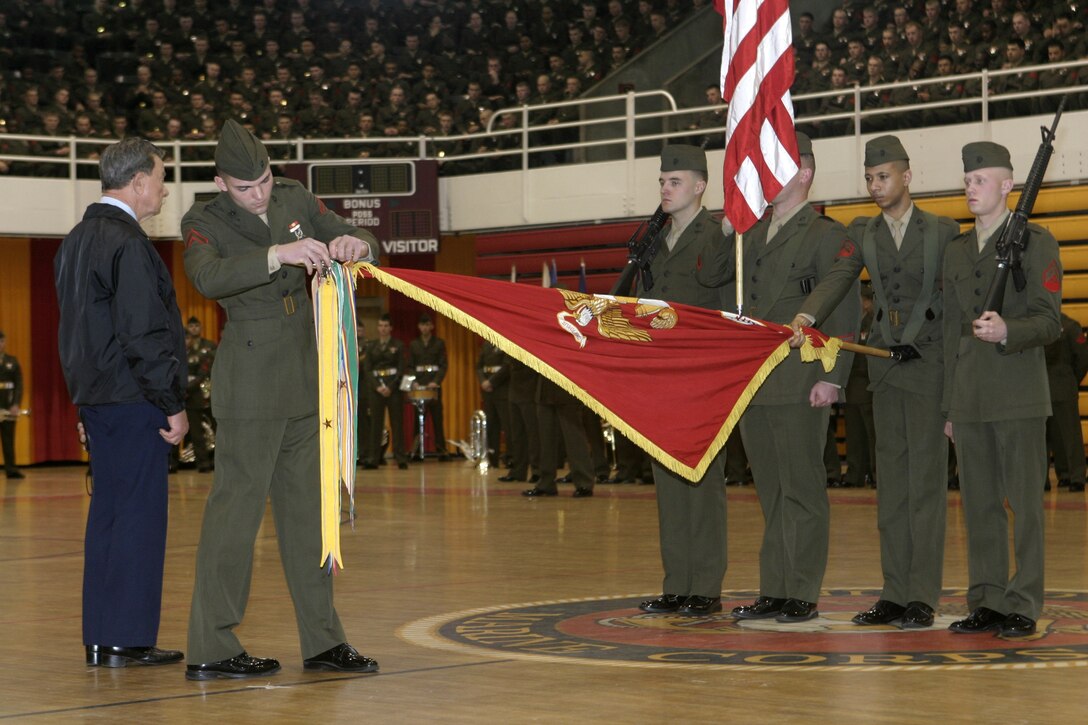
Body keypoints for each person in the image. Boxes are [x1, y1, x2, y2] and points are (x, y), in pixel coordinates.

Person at [181, 119, 380, 680]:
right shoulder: (202, 220)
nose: (261, 193)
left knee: (312, 519)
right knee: (234, 520)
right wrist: (277, 253)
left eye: (265, 180)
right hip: (249, 383)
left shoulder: (294, 194)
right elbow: (207, 277)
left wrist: (354, 243)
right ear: (222, 184)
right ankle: (211, 646)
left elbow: (363, 239)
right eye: (246, 187)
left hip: (307, 376)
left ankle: (322, 641)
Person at [792, 135, 961, 629]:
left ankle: (922, 595)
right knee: (891, 488)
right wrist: (807, 312)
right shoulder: (863, 232)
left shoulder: (942, 230)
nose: (875, 185)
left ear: (907, 177)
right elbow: (841, 275)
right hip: (885, 369)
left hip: (929, 367)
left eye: (883, 176)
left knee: (925, 487)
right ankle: (894, 592)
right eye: (869, 178)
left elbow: (952, 306)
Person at [54, 137, 187, 668]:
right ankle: (128, 639)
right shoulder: (128, 244)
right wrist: (172, 403)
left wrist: (82, 403)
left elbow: (72, 335)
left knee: (107, 518)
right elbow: (144, 334)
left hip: (98, 403)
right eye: (159, 178)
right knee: (138, 519)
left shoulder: (76, 240)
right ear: (136, 182)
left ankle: (102, 635)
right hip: (135, 402)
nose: (163, 189)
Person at [731, 133, 859, 624]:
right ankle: (775, 589)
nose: (766, 177)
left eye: (777, 167)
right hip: (757, 379)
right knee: (769, 490)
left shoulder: (825, 234)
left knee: (802, 487)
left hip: (803, 376)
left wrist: (835, 377)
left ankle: (802, 590)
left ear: (804, 174)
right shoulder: (753, 233)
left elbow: (844, 302)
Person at [942, 141, 1061, 638]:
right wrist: (950, 406)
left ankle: (1024, 602)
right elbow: (951, 335)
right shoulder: (956, 251)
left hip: (1017, 393)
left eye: (981, 180)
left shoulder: (1036, 240)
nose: (971, 188)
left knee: (1025, 505)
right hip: (970, 397)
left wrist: (1008, 330)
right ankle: (987, 598)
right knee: (980, 504)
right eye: (967, 180)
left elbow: (1050, 320)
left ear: (1008, 185)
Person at [635, 144, 732, 616]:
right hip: (660, 375)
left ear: (699, 186)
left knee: (704, 480)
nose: (665, 189)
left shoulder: (717, 233)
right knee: (668, 481)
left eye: (674, 182)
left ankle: (706, 586)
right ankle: (677, 582)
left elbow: (720, 287)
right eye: (661, 182)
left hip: (702, 373)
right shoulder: (651, 240)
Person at [1045, 312, 1088, 493]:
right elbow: (1082, 358)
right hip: (1064, 385)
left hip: (1040, 387)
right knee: (1070, 434)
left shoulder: (1036, 326)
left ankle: (1043, 479)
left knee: (1043, 437)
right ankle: (1075, 476)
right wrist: (1072, 379)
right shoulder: (1071, 326)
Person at [362, 314, 408, 470]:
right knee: (375, 424)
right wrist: (377, 387)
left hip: (393, 389)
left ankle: (400, 457)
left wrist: (390, 387)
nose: (383, 329)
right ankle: (373, 459)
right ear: (377, 328)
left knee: (397, 424)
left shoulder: (398, 345)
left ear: (391, 328)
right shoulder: (371, 346)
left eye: (386, 326)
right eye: (380, 326)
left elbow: (401, 369)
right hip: (376, 389)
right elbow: (367, 369)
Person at [408, 313, 450, 461]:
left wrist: (436, 381)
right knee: (418, 420)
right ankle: (416, 451)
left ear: (431, 326)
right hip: (419, 386)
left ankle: (441, 451)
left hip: (433, 386)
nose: (425, 328)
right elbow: (410, 366)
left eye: (427, 325)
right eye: (422, 325)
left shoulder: (439, 343)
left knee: (438, 419)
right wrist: (414, 381)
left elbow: (443, 365)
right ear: (419, 327)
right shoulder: (414, 344)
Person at [183, 316, 216, 473]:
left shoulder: (208, 346)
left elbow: (205, 372)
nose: (194, 329)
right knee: (193, 432)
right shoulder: (180, 350)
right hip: (187, 395)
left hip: (205, 393)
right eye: (191, 326)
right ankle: (196, 462)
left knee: (210, 430)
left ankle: (211, 461)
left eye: (197, 325)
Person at [476, 339, 510, 467]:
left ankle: (510, 457)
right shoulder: (486, 344)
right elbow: (479, 366)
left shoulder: (506, 343)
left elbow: (506, 367)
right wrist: (483, 381)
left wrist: (491, 382)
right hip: (488, 390)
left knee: (507, 426)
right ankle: (492, 458)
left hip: (502, 389)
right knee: (491, 425)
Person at [0, 330, 24, 478]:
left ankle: (11, 469)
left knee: (8, 439)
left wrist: (15, 404)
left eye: (2, 341)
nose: (0, 344)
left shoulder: (12, 361)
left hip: (7, 405)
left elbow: (19, 385)